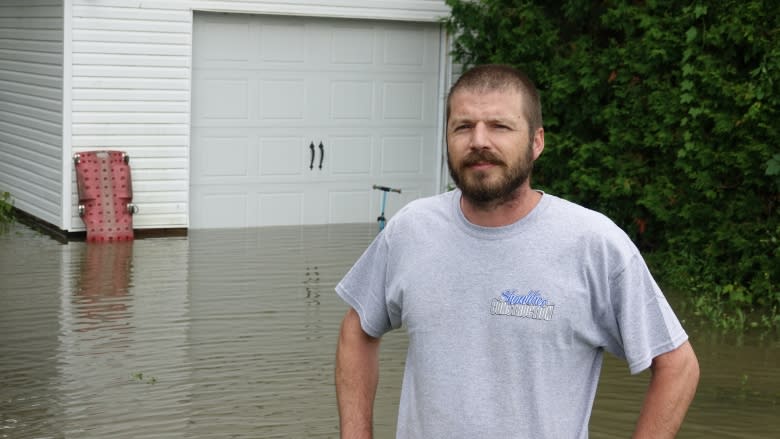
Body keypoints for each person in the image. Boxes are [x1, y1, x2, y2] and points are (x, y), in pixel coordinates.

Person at [334, 64, 699, 438]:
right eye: (463, 126)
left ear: (536, 141)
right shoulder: (410, 229)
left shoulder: (593, 244)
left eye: (499, 126)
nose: (478, 141)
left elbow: (677, 366)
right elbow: (356, 330)